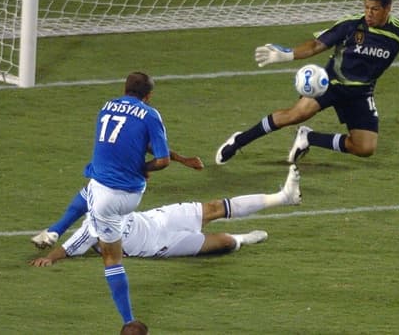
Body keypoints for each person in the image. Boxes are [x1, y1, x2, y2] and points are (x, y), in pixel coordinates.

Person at [215, 0, 399, 166]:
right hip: (330, 83)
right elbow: (317, 45)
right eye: (366, 7)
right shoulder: (351, 24)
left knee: (365, 148)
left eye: (374, 9)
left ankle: (308, 138)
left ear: (388, 9)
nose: (368, 13)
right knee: (296, 114)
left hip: (361, 93)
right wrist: (287, 55)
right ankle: (239, 140)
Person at [29, 165, 301, 266]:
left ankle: (282, 197)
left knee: (214, 207)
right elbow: (68, 248)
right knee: (226, 243)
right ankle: (242, 238)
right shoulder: (92, 226)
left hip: (160, 218)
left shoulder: (112, 193)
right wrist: (49, 258)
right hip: (160, 245)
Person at [79, 71, 175, 325]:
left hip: (106, 195)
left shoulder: (106, 106)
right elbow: (162, 159)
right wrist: (143, 168)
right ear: (148, 96)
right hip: (131, 194)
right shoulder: (151, 115)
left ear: (124, 89)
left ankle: (128, 321)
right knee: (93, 203)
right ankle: (59, 232)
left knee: (111, 258)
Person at [31, 153, 204, 249]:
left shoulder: (112, 111)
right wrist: (182, 160)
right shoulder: (145, 117)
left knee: (93, 190)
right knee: (97, 195)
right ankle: (57, 231)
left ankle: (56, 231)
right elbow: (160, 153)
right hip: (124, 183)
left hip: (107, 165)